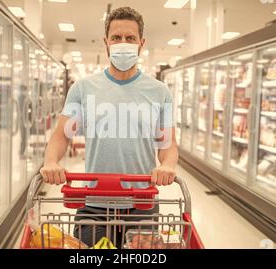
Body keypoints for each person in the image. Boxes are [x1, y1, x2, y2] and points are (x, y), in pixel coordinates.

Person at [40, 6, 179, 248]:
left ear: (141, 43)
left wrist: (167, 165)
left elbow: (167, 144)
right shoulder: (83, 89)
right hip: (93, 202)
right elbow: (62, 135)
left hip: (142, 203)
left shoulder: (160, 92)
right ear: (106, 42)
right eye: (116, 38)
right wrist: (51, 161)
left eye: (130, 38)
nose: (122, 43)